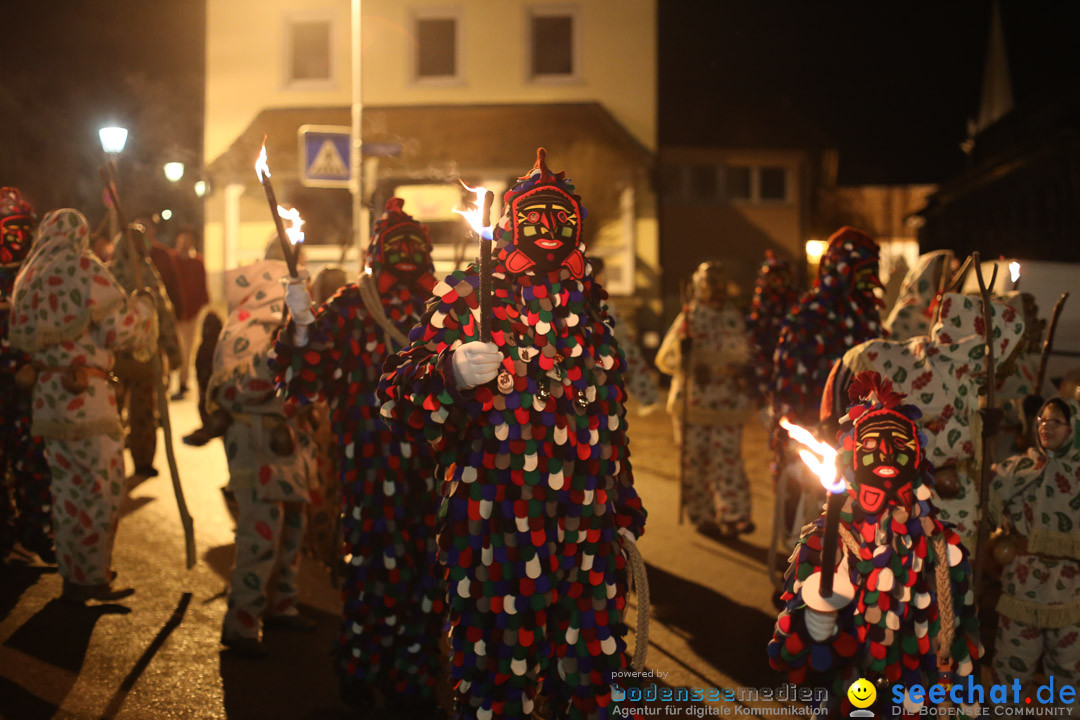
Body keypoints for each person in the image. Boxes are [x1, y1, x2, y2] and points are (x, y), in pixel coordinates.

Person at [378, 149, 647, 720]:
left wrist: (621, 499)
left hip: (587, 538)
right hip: (497, 533)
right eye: (536, 219)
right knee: (500, 681)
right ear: (510, 223)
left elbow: (609, 417)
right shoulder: (467, 297)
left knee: (593, 682)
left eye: (561, 219)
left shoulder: (590, 306)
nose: (549, 232)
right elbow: (395, 397)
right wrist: (447, 372)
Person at [272, 199, 444, 715]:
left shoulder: (446, 308)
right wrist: (300, 326)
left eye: (416, 245)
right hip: (369, 466)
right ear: (376, 253)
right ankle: (361, 667)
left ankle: (412, 678)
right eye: (399, 246)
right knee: (373, 572)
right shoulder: (349, 307)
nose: (408, 255)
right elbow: (303, 379)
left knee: (429, 576)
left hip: (435, 469)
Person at [768, 371, 982, 717]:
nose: (884, 451)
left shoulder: (942, 546)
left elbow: (960, 639)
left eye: (899, 444)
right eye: (869, 444)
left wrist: (963, 700)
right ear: (852, 457)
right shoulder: (824, 540)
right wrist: (811, 626)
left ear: (916, 460)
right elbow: (785, 655)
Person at [9, 209, 156, 601]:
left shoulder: (30, 274)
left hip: (48, 398)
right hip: (88, 400)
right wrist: (144, 310)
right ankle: (90, 576)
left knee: (67, 490)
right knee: (101, 488)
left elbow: (21, 337)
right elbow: (119, 329)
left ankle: (74, 574)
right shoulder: (82, 268)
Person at [823, 292, 1027, 548]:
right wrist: (973, 430)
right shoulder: (935, 371)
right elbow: (909, 437)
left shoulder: (961, 373)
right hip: (909, 495)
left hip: (948, 494)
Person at [210, 259, 316, 657]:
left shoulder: (294, 321)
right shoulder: (248, 326)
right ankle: (242, 622)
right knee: (260, 535)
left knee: (292, 529)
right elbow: (241, 384)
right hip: (255, 439)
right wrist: (287, 341)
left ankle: (282, 603)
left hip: (288, 440)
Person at [988, 396, 1080, 710]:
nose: (1046, 427)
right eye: (1041, 420)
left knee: (1069, 677)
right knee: (1010, 674)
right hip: (1022, 590)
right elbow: (980, 494)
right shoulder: (1019, 467)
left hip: (1070, 593)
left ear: (1074, 427)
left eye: (1056, 421)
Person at [655, 261, 753, 537]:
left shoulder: (733, 317)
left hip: (728, 404)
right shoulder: (689, 317)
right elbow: (665, 358)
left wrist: (739, 368)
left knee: (727, 459)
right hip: (694, 403)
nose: (717, 291)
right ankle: (702, 514)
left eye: (721, 286)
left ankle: (734, 514)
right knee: (694, 460)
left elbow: (746, 354)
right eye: (711, 286)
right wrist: (684, 356)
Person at [771, 227, 883, 424]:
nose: (871, 283)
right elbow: (792, 378)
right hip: (816, 419)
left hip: (859, 421)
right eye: (864, 273)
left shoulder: (868, 313)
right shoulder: (810, 314)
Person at [0, 187, 53, 562]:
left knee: (35, 457)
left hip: (30, 380)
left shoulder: (38, 274)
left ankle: (36, 532)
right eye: (9, 228)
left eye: (22, 228)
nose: (16, 237)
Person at [109, 224, 182, 479]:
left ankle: (117, 460)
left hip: (117, 359)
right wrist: (173, 353)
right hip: (137, 357)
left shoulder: (108, 275)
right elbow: (164, 315)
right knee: (141, 414)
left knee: (117, 414)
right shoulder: (145, 274)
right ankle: (141, 460)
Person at [745, 250, 799, 406]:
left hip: (792, 371)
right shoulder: (761, 313)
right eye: (776, 280)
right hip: (767, 367)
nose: (781, 284)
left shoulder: (797, 308)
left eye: (784, 279)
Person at [172, 226, 209, 400]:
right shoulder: (173, 261)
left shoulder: (197, 262)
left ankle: (183, 381)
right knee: (176, 347)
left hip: (192, 313)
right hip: (175, 313)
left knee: (188, 348)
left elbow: (202, 288)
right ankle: (172, 379)